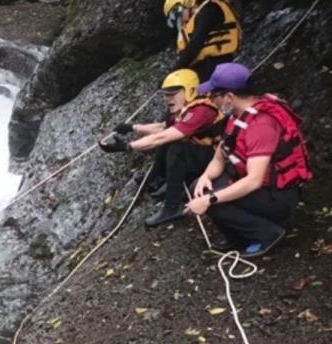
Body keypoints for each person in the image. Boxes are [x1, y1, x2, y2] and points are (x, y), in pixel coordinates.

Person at [185, 63, 313, 257]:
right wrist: (204, 177)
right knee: (200, 186)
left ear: (229, 97)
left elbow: (254, 180)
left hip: (276, 197)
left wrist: (209, 200)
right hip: (259, 190)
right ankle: (237, 234)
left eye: (214, 96)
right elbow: (219, 158)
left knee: (212, 200)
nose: (211, 100)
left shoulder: (261, 125)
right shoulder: (236, 116)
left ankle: (268, 233)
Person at [99, 69, 224, 227]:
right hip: (202, 156)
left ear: (190, 90)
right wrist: (132, 128)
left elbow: (164, 136)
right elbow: (163, 128)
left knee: (176, 146)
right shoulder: (185, 107)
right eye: (166, 94)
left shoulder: (201, 111)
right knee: (171, 141)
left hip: (215, 160)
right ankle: (156, 178)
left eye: (173, 93)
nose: (168, 99)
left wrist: (127, 146)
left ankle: (172, 207)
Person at [163, 0, 241, 82]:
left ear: (187, 4)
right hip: (204, 69)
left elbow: (196, 43)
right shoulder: (195, 20)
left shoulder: (210, 9)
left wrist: (173, 72)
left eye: (175, 14)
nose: (178, 20)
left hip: (216, 65)